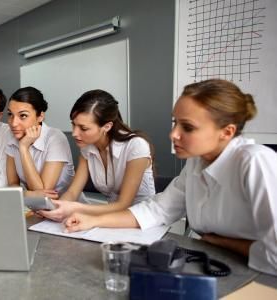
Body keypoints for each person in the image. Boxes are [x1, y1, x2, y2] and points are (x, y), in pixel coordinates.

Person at [65, 79, 277, 276]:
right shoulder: (196, 162)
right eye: (175, 123)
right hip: (221, 266)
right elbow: (157, 210)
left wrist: (223, 242)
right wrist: (92, 221)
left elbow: (274, 254)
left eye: (187, 127)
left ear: (227, 132)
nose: (173, 134)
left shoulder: (255, 163)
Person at [40, 89, 155, 222]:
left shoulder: (136, 146)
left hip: (142, 220)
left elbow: (124, 204)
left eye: (83, 128)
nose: (75, 133)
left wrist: (74, 208)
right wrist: (55, 207)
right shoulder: (87, 148)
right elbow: (73, 192)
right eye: (73, 125)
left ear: (107, 127)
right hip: (111, 219)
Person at [6, 87, 75, 198]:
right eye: (10, 114)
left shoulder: (55, 138)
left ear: (40, 116)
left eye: (23, 115)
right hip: (32, 208)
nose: (13, 123)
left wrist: (23, 148)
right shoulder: (11, 137)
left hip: (65, 209)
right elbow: (12, 185)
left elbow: (43, 195)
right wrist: (29, 194)